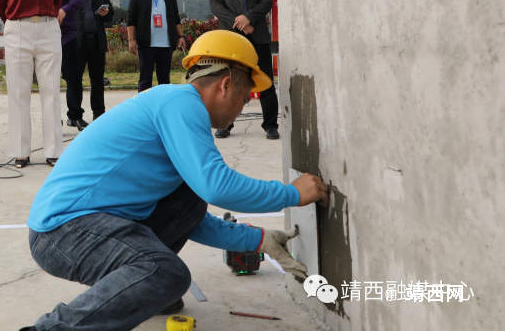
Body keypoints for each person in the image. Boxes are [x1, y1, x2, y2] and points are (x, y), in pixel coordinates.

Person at [20, 31, 329, 331]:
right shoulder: (180, 104)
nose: (243, 107)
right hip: (62, 231)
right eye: (246, 96)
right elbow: (217, 185)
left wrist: (258, 240)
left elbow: (189, 216)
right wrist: (291, 193)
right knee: (166, 273)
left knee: (188, 200)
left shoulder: (175, 106)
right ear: (225, 85)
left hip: (87, 224)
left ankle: (145, 290)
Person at [0, 0, 63, 168]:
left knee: (51, 90)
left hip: (48, 28)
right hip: (18, 30)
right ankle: (21, 152)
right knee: (19, 91)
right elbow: (1, 4)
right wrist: (16, 23)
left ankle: (53, 151)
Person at [207, 0, 278, 140]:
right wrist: (239, 22)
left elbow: (266, 2)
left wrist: (248, 18)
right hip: (229, 37)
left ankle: (271, 125)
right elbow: (216, 5)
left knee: (265, 79)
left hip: (258, 35)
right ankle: (225, 124)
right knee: (228, 81)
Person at [40, 0, 84, 130]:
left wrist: (64, 11)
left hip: (67, 36)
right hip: (43, 38)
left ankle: (74, 116)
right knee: (48, 81)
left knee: (74, 77)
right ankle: (52, 120)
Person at [127, 0, 187, 92]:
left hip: (165, 44)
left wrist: (181, 36)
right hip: (145, 44)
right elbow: (131, 19)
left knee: (164, 81)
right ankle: (143, 110)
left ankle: (162, 110)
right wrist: (131, 40)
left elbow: (176, 18)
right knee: (145, 80)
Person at [73, 0, 113, 123]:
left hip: (96, 42)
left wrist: (106, 14)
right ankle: (75, 115)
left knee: (97, 79)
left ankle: (98, 113)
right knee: (75, 79)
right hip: (76, 42)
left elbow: (110, 15)